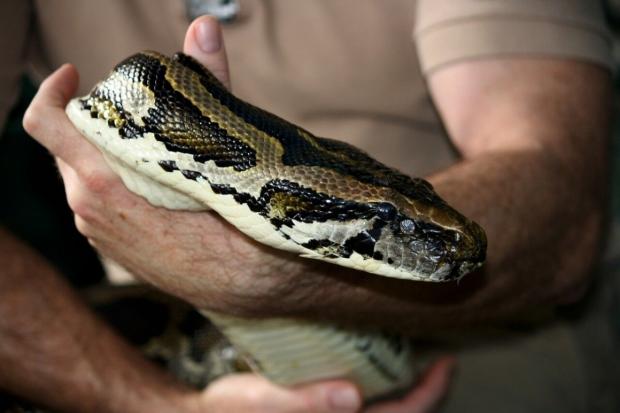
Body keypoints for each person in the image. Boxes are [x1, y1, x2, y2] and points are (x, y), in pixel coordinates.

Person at [3, 0, 619, 412]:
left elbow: (560, 199)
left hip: (484, 330)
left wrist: (260, 281)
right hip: (165, 336)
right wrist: (159, 403)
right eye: (385, 223)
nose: (444, 242)